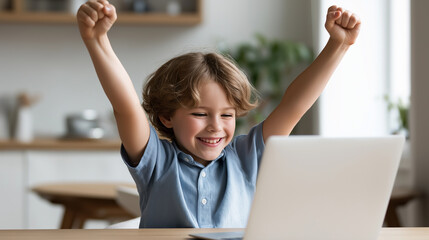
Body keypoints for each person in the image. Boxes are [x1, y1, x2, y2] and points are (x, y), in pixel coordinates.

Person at [77, 0, 361, 228]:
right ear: (166, 117)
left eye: (227, 115)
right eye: (200, 113)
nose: (216, 126)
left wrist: (338, 45)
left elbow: (294, 107)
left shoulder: (246, 157)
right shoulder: (156, 162)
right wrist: (97, 40)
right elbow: (125, 105)